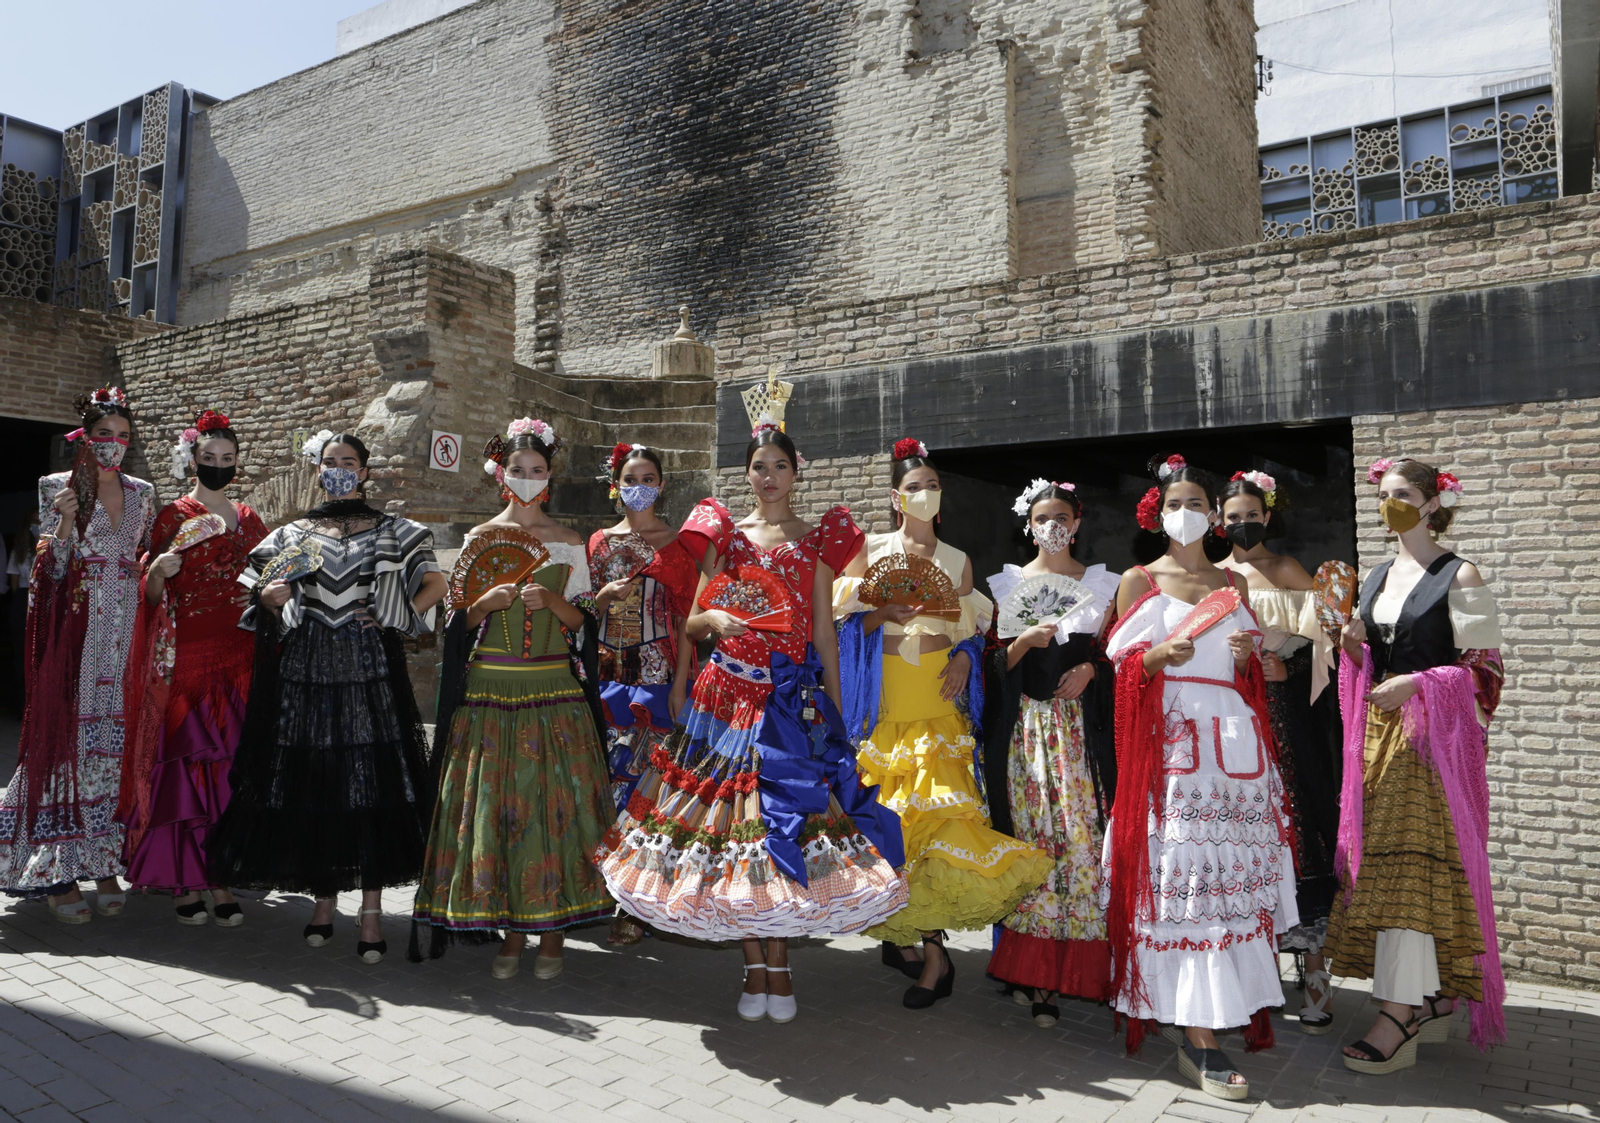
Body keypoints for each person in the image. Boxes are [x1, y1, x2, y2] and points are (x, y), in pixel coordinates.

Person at [597, 418, 907, 1024]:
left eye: (780, 467)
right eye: (759, 467)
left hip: (788, 701)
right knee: (732, 830)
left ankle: (781, 965)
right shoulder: (726, 537)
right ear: (746, 474)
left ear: (795, 474)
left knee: (781, 825)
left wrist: (836, 709)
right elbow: (691, 624)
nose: (769, 477)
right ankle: (753, 965)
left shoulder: (817, 540)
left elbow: (823, 634)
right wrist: (710, 630)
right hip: (723, 700)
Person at [1102, 454, 1297, 1102]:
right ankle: (1198, 1033)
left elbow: (1253, 675)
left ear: (1213, 515)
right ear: (1156, 514)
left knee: (1227, 888)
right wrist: (1157, 655)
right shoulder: (1138, 581)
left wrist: (1246, 662)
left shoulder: (1232, 584)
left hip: (1233, 757)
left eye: (1196, 504)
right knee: (1185, 887)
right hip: (1173, 760)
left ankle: (1213, 1014)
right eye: (1174, 504)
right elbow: (1120, 679)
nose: (1185, 513)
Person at [208, 430, 445, 963]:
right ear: (318, 470)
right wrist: (270, 597)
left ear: (365, 471)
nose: (340, 468)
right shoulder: (291, 534)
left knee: (372, 785)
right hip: (306, 670)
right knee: (316, 784)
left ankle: (371, 912)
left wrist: (392, 614)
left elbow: (437, 585)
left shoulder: (396, 529)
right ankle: (323, 901)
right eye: (331, 461)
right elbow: (256, 594)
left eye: (349, 461)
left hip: (368, 669)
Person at [835, 438, 1046, 1010]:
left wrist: (964, 658)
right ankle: (903, 932)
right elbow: (840, 621)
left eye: (932, 486)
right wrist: (881, 611)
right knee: (893, 825)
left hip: (937, 694)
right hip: (886, 701)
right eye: (914, 487)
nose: (925, 494)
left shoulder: (957, 560)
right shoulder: (870, 549)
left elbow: (973, 630)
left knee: (937, 824)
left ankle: (935, 954)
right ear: (895, 497)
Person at [411, 419, 615, 979]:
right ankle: (511, 931)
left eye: (537, 469)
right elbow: (456, 624)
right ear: (501, 475)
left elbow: (583, 624)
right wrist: (483, 605)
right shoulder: (479, 537)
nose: (527, 477)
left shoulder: (569, 540)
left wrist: (553, 600)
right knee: (497, 811)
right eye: (518, 469)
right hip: (489, 692)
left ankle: (551, 933)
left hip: (553, 690)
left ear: (550, 476)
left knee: (554, 811)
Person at [1327, 458, 1505, 1073]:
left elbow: (1486, 670)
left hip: (1433, 748)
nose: (1389, 503)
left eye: (1401, 493)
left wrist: (1419, 684)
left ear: (1433, 503)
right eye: (1383, 493)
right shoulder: (1376, 575)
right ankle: (1433, 997)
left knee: (1410, 872)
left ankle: (1397, 1013)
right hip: (1378, 743)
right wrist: (1352, 650)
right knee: (1391, 870)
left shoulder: (1462, 573)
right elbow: (1373, 665)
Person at [0, 387, 155, 922]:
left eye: (124, 436)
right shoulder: (57, 486)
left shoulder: (143, 492)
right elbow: (49, 569)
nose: (114, 444)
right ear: (84, 439)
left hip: (126, 630)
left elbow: (143, 557)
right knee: (67, 741)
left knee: (113, 747)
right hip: (76, 630)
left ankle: (103, 861)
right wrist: (64, 524)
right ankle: (56, 871)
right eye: (104, 434)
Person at [119, 410, 268, 926]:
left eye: (228, 458)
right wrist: (158, 572)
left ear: (238, 462)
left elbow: (267, 579)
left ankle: (220, 876)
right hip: (189, 659)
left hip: (241, 656)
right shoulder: (173, 516)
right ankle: (184, 879)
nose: (219, 465)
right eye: (210, 457)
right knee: (187, 766)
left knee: (229, 770)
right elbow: (149, 596)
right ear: (193, 460)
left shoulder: (250, 519)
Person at [983, 479, 1120, 1028]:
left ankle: (1084, 969)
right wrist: (1019, 645)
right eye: (1043, 519)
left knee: (1083, 842)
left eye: (1062, 517)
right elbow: (989, 665)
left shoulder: (1104, 585)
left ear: (1077, 522)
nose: (1053, 527)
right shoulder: (1008, 585)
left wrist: (1093, 669)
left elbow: (1122, 656)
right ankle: (1037, 978)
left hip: (1082, 736)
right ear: (1029, 525)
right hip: (1027, 735)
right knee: (1035, 841)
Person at [1216, 470, 1344, 1033]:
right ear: (1218, 523)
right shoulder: (1212, 576)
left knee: (1296, 823)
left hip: (1285, 720)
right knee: (1246, 832)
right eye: (1233, 517)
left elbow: (1328, 645)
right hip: (1231, 719)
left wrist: (1287, 669)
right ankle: (1255, 968)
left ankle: (1314, 971)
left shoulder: (1287, 569)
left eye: (1252, 515)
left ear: (1267, 516)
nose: (1243, 524)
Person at [586, 442, 698, 947]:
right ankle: (602, 888)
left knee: (647, 789)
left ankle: (636, 902)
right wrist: (601, 599)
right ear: (616, 484)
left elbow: (687, 619)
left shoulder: (678, 543)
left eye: (648, 478)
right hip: (605, 676)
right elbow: (579, 610)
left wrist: (680, 684)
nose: (639, 486)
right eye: (630, 478)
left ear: (662, 484)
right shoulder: (598, 542)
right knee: (604, 784)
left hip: (656, 679)